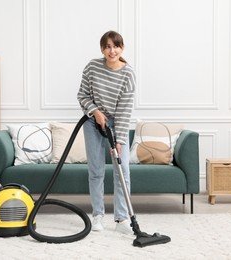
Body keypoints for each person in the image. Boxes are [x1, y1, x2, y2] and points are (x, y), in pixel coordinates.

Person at [77, 31, 136, 234]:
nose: (112, 51)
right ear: (102, 48)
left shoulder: (128, 74)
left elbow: (125, 110)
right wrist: (95, 112)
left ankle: (121, 219)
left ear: (122, 48)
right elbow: (82, 94)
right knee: (96, 170)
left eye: (116, 46)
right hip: (93, 122)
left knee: (123, 170)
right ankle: (98, 216)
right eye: (108, 46)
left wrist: (119, 139)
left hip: (117, 123)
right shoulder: (92, 67)